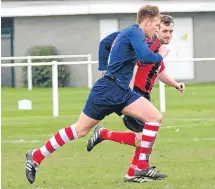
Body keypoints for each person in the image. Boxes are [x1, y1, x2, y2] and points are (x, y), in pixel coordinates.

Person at [25, 5, 169, 184]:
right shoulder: (136, 32)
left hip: (122, 92)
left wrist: (103, 67)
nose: (157, 28)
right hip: (107, 90)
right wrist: (161, 55)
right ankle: (36, 155)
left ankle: (140, 166)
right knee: (80, 130)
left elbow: (105, 43)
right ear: (146, 21)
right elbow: (145, 56)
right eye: (156, 24)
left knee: (154, 117)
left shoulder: (129, 32)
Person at [86, 15, 185, 182]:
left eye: (171, 31)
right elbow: (134, 65)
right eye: (164, 31)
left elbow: (159, 70)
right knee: (143, 138)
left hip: (141, 95)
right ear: (155, 29)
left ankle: (132, 173)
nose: (168, 35)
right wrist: (128, 93)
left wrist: (175, 84)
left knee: (145, 137)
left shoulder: (155, 46)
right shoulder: (150, 43)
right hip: (134, 95)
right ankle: (104, 135)